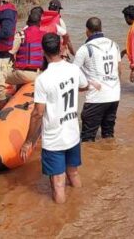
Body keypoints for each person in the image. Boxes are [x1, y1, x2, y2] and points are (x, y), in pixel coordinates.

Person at [19, 33, 89, 204]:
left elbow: (37, 113)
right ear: (61, 48)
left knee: (58, 184)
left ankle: (60, 221)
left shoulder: (43, 79)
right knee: (73, 173)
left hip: (54, 139)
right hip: (72, 133)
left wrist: (28, 141)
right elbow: (84, 86)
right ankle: (79, 207)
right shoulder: (73, 69)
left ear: (43, 51)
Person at [74, 17, 121, 141]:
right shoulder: (114, 45)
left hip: (96, 98)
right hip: (114, 95)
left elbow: (73, 72)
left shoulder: (85, 48)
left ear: (87, 31)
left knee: (87, 138)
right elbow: (119, 69)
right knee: (108, 135)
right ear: (101, 28)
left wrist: (82, 87)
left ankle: (91, 159)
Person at [7, 7, 45, 85]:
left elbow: (10, 54)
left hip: (23, 74)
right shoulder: (45, 36)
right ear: (39, 23)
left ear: (27, 22)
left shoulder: (21, 34)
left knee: (0, 75)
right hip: (39, 74)